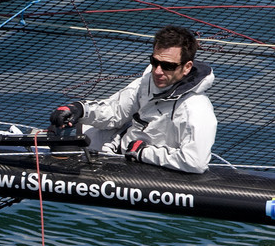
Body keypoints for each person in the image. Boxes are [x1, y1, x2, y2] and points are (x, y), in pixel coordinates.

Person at [48, 26, 218, 173]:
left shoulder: (196, 107)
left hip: (142, 164)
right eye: (154, 62)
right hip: (115, 147)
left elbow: (195, 162)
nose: (158, 71)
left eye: (167, 66)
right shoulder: (147, 82)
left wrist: (144, 153)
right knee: (58, 132)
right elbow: (115, 113)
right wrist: (80, 109)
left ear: (187, 67)